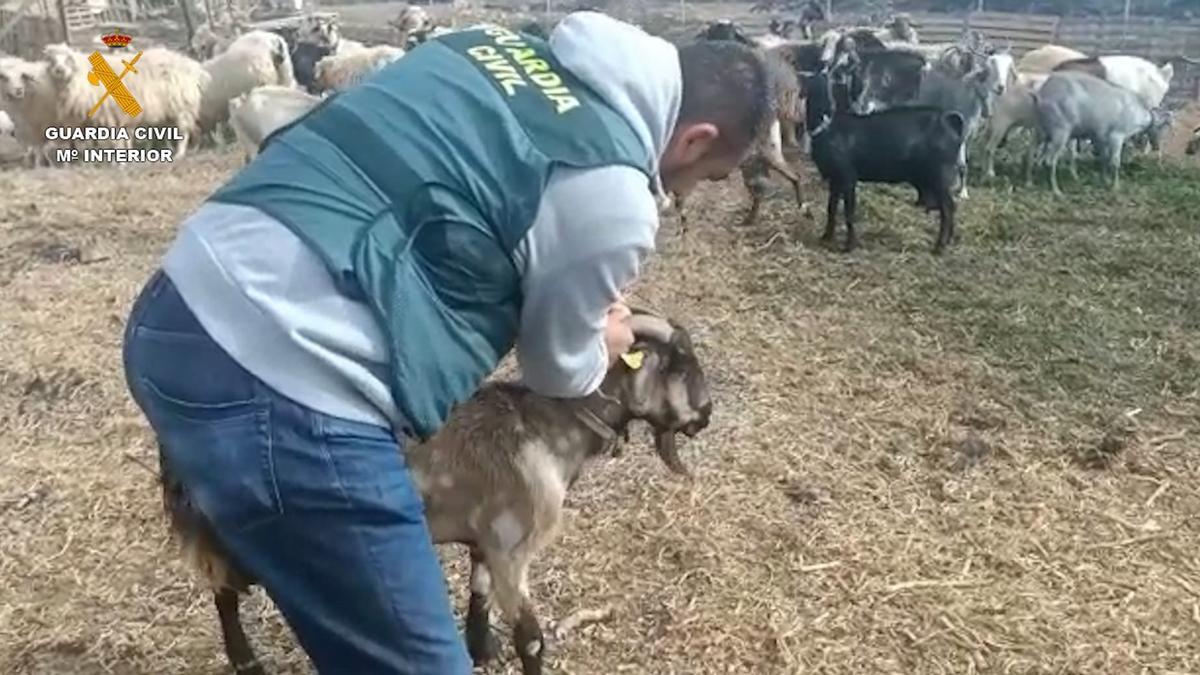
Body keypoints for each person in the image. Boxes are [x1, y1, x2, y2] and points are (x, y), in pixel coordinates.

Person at [121, 11, 770, 674]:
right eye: (703, 180)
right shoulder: (615, 189)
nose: (682, 194)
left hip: (175, 307)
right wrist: (603, 337)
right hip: (286, 382)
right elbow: (555, 370)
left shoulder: (485, 46)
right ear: (694, 140)